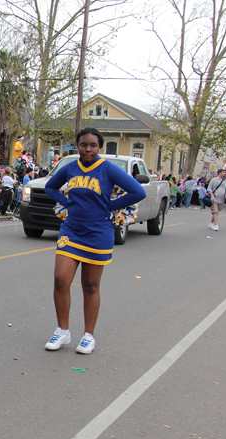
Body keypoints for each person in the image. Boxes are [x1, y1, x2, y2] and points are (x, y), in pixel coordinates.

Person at [43, 127, 145, 354]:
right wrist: (66, 202)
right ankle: (63, 331)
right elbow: (51, 186)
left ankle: (88, 336)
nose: (88, 149)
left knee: (90, 286)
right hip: (72, 230)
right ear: (77, 146)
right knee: (60, 279)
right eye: (83, 145)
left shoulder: (108, 169)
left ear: (99, 147)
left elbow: (138, 192)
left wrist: (110, 206)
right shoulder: (70, 168)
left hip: (98, 232)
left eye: (93, 145)